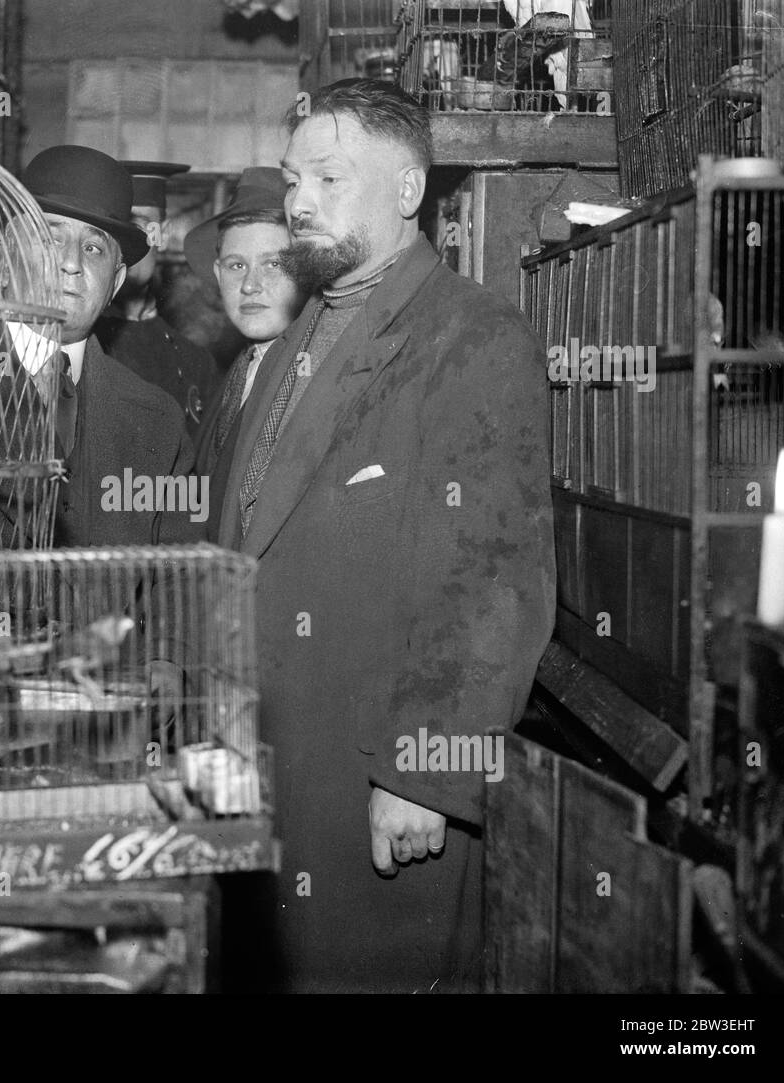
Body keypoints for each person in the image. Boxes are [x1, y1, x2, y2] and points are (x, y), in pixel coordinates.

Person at [210, 80, 556, 992]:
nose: (299, 202)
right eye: (293, 179)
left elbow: (495, 582)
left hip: (372, 785)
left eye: (329, 176)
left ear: (409, 190)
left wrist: (426, 772)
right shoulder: (293, 340)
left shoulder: (475, 338)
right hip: (268, 772)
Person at [0, 145, 195, 548]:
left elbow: (182, 575)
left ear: (115, 284)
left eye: (93, 249)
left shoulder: (161, 422)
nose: (71, 263)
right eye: (51, 240)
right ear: (3, 262)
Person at [182, 167, 306, 478]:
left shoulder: (313, 376)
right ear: (218, 273)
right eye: (236, 265)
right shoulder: (239, 371)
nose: (250, 285)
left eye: (273, 263)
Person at [93, 162, 223, 438]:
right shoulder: (75, 347)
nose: (125, 245)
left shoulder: (196, 362)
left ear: (162, 233)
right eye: (113, 228)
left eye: (136, 227)